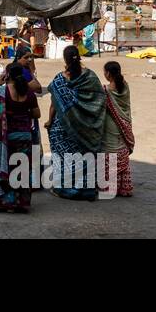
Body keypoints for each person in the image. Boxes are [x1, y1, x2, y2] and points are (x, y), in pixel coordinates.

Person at [45, 45, 106, 200]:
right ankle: (86, 189)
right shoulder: (91, 77)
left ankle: (63, 188)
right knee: (84, 156)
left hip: (62, 125)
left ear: (65, 59)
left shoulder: (59, 80)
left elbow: (54, 103)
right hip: (85, 126)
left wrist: (49, 121)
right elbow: (99, 99)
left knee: (61, 156)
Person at [0, 62, 41, 214]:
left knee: (5, 169)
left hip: (6, 138)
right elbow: (37, 114)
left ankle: (4, 203)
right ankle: (20, 204)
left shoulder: (1, 91)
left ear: (7, 75)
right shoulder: (29, 93)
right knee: (21, 170)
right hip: (25, 137)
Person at [101, 61, 134, 197]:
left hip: (111, 125)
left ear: (108, 73)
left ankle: (109, 187)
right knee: (121, 149)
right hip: (124, 125)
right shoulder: (125, 86)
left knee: (110, 150)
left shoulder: (106, 91)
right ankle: (123, 188)